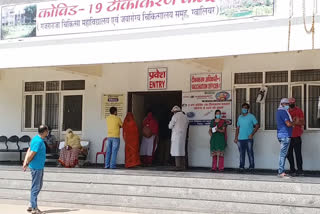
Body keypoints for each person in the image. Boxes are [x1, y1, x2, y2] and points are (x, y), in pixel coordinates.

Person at [23, 125, 48, 214]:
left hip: (39, 167)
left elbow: (29, 149)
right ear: (44, 131)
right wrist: (26, 163)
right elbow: (32, 153)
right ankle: (34, 208)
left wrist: (25, 161)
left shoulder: (36, 139)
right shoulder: (38, 141)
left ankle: (31, 204)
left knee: (38, 186)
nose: (47, 132)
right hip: (36, 167)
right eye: (47, 130)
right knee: (36, 187)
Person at [234, 103, 259, 172]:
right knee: (241, 154)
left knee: (250, 153)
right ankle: (241, 167)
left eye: (245, 108)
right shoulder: (240, 117)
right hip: (240, 139)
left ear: (248, 109)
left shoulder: (251, 116)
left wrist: (252, 134)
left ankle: (251, 167)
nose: (244, 109)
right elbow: (237, 128)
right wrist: (236, 137)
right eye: (243, 108)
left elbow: (257, 126)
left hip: (248, 139)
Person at [276, 98, 294, 178]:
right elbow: (288, 124)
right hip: (285, 135)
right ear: (282, 104)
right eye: (285, 104)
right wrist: (295, 122)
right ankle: (281, 171)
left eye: (288, 104)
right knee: (283, 154)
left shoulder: (279, 111)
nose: (287, 105)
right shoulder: (283, 112)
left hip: (281, 135)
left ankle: (281, 171)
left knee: (283, 153)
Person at [287, 98, 305, 176]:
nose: (291, 103)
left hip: (296, 135)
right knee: (288, 154)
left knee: (298, 154)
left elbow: (303, 122)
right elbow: (285, 123)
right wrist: (295, 121)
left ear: (295, 102)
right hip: (288, 136)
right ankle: (292, 170)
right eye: (290, 102)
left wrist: (294, 122)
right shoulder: (285, 111)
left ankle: (300, 170)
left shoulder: (299, 110)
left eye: (293, 102)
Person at [168, 106, 189, 171]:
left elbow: (170, 126)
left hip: (176, 137)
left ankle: (178, 166)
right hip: (183, 136)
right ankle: (183, 166)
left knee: (176, 151)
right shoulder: (185, 117)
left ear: (174, 111)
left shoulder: (175, 116)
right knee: (182, 151)